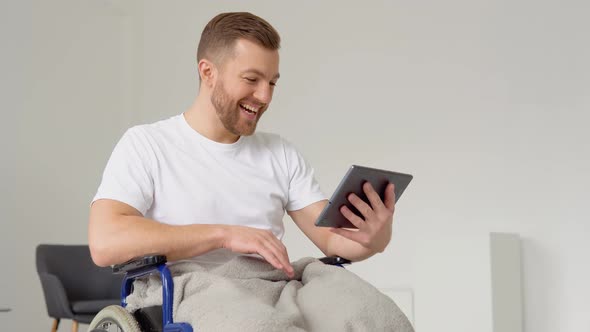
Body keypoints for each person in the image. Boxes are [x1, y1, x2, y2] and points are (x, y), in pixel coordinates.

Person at [89, 12, 396, 280]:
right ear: (208, 72)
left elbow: (332, 241)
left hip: (271, 289)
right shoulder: (147, 145)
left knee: (367, 312)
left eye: (272, 82)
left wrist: (376, 238)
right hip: (192, 294)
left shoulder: (281, 154)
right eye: (252, 79)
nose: (265, 96)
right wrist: (225, 235)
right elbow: (105, 242)